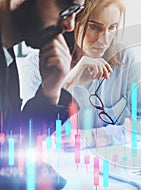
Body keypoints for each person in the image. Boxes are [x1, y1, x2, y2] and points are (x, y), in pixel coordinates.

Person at [20, 0, 141, 149]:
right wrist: (67, 82)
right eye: (94, 27)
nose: (105, 40)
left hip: (114, 164)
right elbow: (34, 136)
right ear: (73, 22)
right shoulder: (35, 65)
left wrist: (94, 137)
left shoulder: (124, 59)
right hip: (63, 167)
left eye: (112, 28)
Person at [0, 0, 85, 188]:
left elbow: (13, 144)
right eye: (67, 8)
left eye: (77, 11)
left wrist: (50, 90)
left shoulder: (7, 56)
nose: (70, 25)